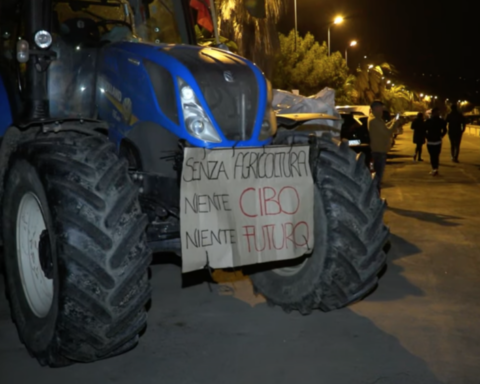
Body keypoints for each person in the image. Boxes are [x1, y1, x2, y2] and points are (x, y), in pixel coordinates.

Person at [367, 101, 400, 193]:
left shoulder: (376, 119)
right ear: (376, 108)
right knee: (377, 177)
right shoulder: (375, 120)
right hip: (378, 151)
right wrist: (395, 123)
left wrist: (393, 121)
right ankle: (376, 197)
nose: (382, 110)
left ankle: (375, 197)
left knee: (376, 176)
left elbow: (384, 128)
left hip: (378, 150)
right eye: (381, 108)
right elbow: (387, 132)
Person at [424, 107, 447, 176]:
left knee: (432, 155)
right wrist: (441, 136)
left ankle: (434, 168)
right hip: (437, 140)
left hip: (431, 140)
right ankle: (435, 168)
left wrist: (427, 136)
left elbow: (424, 130)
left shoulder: (428, 121)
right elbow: (445, 130)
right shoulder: (441, 121)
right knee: (436, 155)